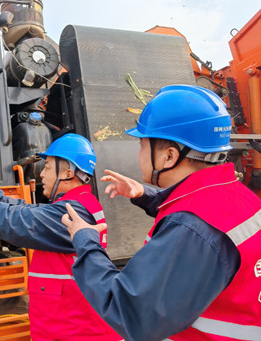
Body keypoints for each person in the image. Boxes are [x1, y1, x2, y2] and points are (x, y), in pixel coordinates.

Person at [61, 85, 261, 341]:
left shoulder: (192, 229)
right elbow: (201, 215)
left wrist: (85, 240)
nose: (139, 154)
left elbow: (130, 312)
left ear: (169, 156)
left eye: (143, 145)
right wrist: (145, 195)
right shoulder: (236, 195)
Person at [0, 133, 121, 341]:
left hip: (78, 332)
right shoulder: (76, 204)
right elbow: (31, 212)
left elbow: (23, 221)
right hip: (70, 327)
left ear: (67, 173)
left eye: (47, 167)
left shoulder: (73, 211)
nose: (41, 174)